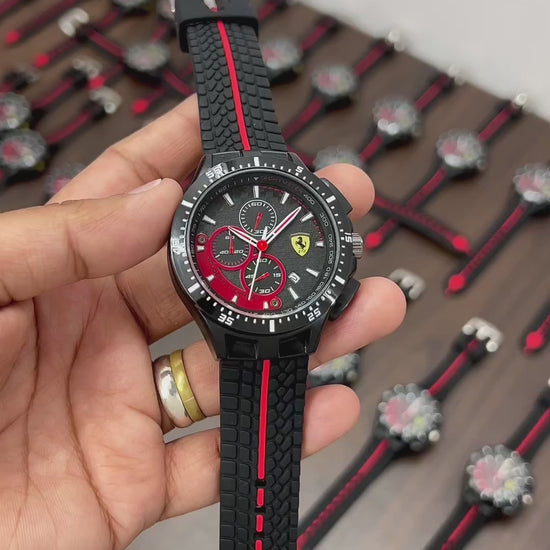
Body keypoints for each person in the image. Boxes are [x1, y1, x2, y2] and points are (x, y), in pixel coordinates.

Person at [0, 96, 406, 550]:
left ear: (341, 243)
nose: (260, 246)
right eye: (252, 241)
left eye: (266, 239)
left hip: (293, 321)